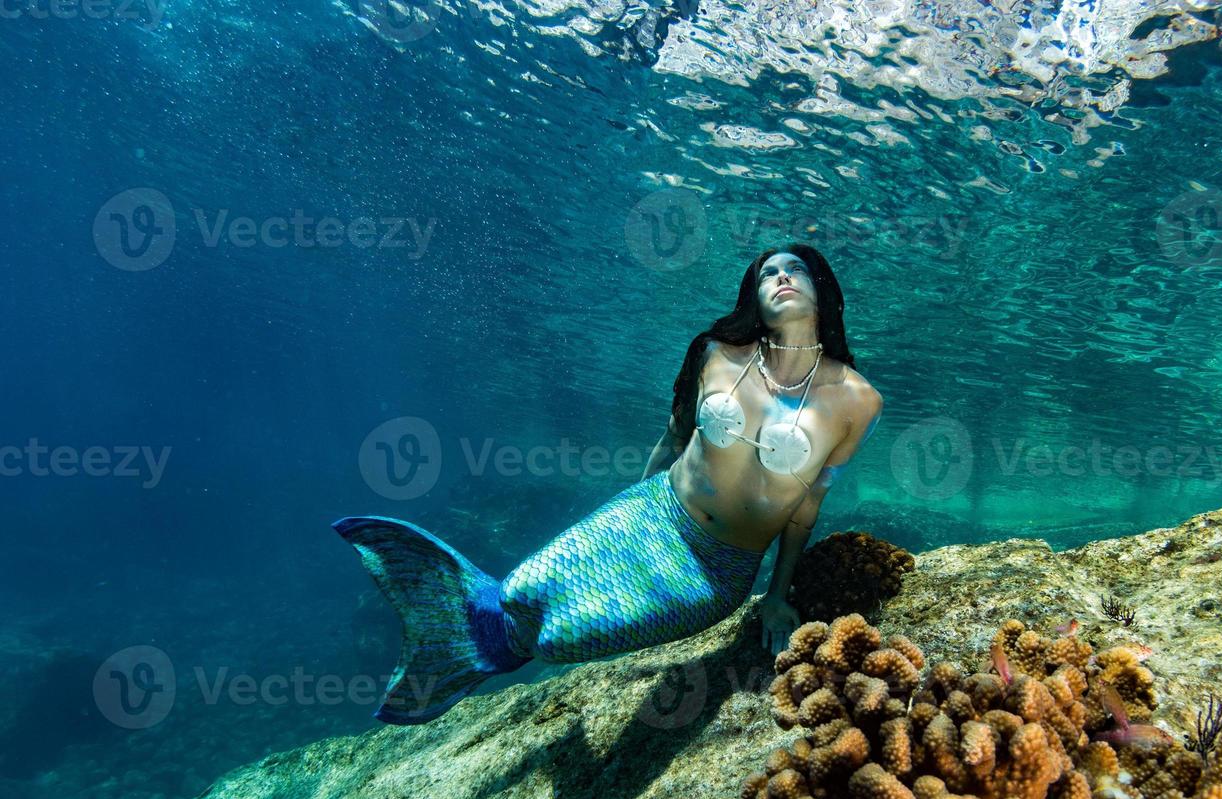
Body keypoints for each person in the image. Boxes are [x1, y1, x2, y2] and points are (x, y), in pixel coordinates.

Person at [334, 243, 883, 724]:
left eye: (795, 269)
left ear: (823, 289)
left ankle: (453, 663)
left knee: (555, 638)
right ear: (753, 295)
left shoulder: (858, 401)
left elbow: (805, 506)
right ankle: (441, 614)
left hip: (718, 568)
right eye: (767, 272)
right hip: (655, 512)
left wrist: (777, 598)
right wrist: (630, 507)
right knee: (517, 592)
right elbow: (674, 437)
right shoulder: (718, 352)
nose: (781, 277)